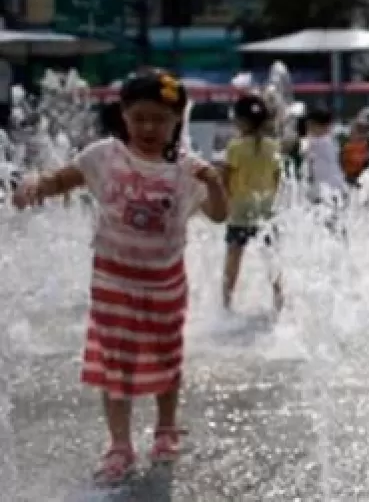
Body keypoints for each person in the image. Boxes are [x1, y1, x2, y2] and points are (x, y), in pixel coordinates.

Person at [11, 70, 229, 485]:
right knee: (117, 364)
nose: (149, 128)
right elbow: (63, 180)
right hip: (113, 279)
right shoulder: (103, 156)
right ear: (124, 116)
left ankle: (165, 429)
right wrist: (36, 186)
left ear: (176, 122)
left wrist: (216, 184)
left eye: (160, 120)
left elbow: (220, 215)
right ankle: (119, 445)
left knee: (167, 358)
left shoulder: (188, 169)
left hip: (165, 281)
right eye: (140, 117)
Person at [220, 95, 283, 312]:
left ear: (241, 121)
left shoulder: (235, 147)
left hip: (239, 211)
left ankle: (226, 302)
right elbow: (278, 178)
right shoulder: (273, 146)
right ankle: (279, 298)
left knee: (234, 256)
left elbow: (225, 177)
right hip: (266, 210)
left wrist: (223, 200)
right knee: (271, 255)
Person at [340, 119, 369, 188]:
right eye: (361, 131)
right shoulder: (347, 148)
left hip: (362, 180)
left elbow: (367, 163)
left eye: (365, 132)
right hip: (349, 180)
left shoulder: (367, 145)